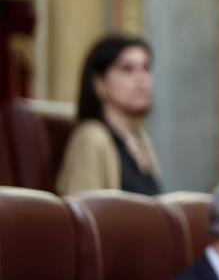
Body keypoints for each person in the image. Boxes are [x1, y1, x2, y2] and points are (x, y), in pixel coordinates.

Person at [56, 34, 161, 195]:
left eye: (146, 68)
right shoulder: (91, 137)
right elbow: (82, 212)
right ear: (100, 84)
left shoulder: (142, 140)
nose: (142, 79)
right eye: (127, 69)